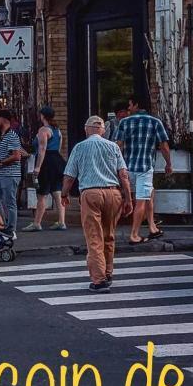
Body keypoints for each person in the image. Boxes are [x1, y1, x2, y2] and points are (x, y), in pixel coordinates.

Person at [61, 116, 133, 291]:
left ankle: (99, 279)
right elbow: (123, 175)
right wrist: (128, 198)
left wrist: (64, 194)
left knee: (94, 237)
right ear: (102, 130)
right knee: (109, 235)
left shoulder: (79, 147)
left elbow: (70, 176)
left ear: (86, 129)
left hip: (90, 193)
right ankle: (108, 272)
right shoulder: (113, 146)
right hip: (113, 193)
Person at [116, 96, 172, 245]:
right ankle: (134, 234)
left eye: (129, 105)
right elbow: (164, 147)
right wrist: (169, 164)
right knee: (141, 200)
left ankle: (153, 227)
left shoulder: (124, 122)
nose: (128, 108)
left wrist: (117, 165)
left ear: (136, 105)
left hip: (128, 166)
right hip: (145, 167)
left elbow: (118, 145)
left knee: (149, 194)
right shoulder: (155, 122)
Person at [23, 106, 67, 232]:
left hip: (46, 162)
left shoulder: (43, 130)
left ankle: (37, 223)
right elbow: (58, 147)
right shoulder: (57, 130)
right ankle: (61, 221)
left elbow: (42, 149)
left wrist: (37, 167)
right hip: (57, 161)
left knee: (41, 194)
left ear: (43, 116)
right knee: (57, 192)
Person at [0, 109, 21, 236]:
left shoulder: (12, 135)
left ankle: (11, 230)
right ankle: (3, 225)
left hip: (9, 174)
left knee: (10, 202)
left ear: (4, 120)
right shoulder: (1, 136)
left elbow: (17, 156)